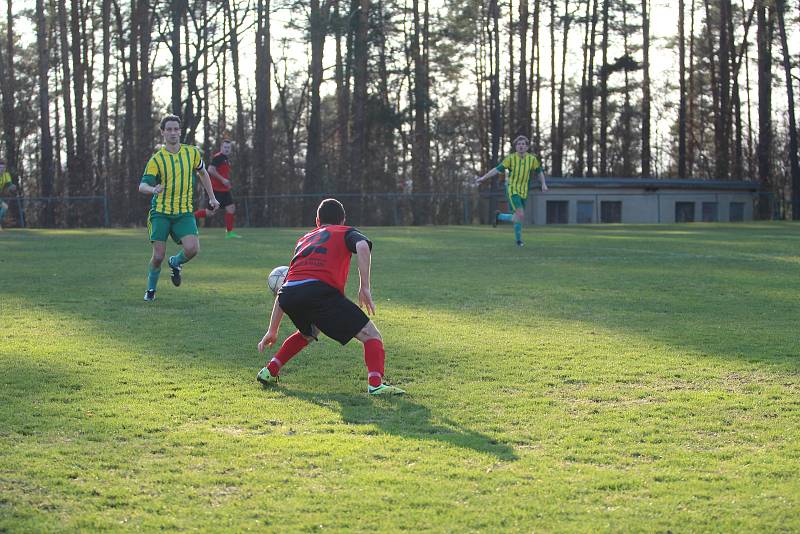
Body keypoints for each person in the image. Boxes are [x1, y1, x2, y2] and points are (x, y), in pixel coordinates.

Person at [256, 198, 405, 396]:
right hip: (320, 292)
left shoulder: (303, 240)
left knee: (310, 332)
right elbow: (362, 246)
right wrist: (365, 287)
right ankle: (376, 384)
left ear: (317, 220)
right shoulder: (345, 231)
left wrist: (272, 330)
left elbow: (287, 285)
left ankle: (270, 371)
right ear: (342, 220)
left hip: (289, 294)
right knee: (372, 335)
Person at [138, 115, 220, 302]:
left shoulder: (192, 153)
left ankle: (175, 263)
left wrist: (212, 197)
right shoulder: (157, 160)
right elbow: (142, 186)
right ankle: (151, 290)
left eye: (176, 129)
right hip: (161, 213)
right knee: (158, 256)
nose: (173, 132)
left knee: (192, 249)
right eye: (169, 129)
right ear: (163, 132)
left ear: (180, 131)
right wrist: (153, 189)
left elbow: (203, 173)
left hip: (183, 212)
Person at [475, 135, 548, 247]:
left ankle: (500, 218)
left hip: (524, 191)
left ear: (527, 147)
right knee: (520, 214)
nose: (521, 146)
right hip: (512, 189)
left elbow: (539, 172)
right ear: (515, 147)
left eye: (523, 144)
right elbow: (496, 169)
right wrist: (483, 178)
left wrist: (543, 183)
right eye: (519, 144)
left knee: (517, 217)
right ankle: (518, 241)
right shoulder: (510, 159)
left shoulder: (532, 159)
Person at [193, 138, 241, 239]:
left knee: (231, 209)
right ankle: (190, 217)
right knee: (209, 213)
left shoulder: (226, 159)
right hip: (216, 190)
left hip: (225, 190)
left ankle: (229, 233)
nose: (227, 149)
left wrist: (226, 182)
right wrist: (223, 180)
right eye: (225, 147)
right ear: (221, 148)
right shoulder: (218, 157)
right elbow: (210, 169)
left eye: (228, 147)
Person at [0, 160, 17, 231]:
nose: (2, 169)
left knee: (5, 207)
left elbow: (9, 184)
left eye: (3, 168)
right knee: (4, 206)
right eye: (0, 167)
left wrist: (12, 186)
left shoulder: (6, 175)